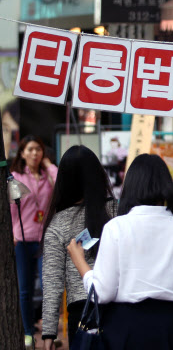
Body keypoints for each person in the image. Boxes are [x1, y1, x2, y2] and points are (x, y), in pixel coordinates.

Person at [67, 154, 173, 350]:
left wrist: (81, 263)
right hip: (172, 328)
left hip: (124, 328)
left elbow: (103, 293)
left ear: (130, 186)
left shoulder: (116, 228)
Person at [41, 145, 117, 350]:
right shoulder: (118, 212)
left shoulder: (57, 225)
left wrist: (48, 334)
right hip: (119, 309)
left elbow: (52, 284)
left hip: (81, 315)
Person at [10, 135, 58, 348]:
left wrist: (50, 164)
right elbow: (11, 208)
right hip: (21, 239)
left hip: (45, 240)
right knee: (24, 289)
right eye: (30, 149)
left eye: (38, 149)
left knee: (49, 287)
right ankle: (28, 333)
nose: (34, 153)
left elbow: (61, 184)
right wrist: (11, 233)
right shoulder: (16, 176)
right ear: (22, 153)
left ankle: (49, 333)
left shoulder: (48, 175)